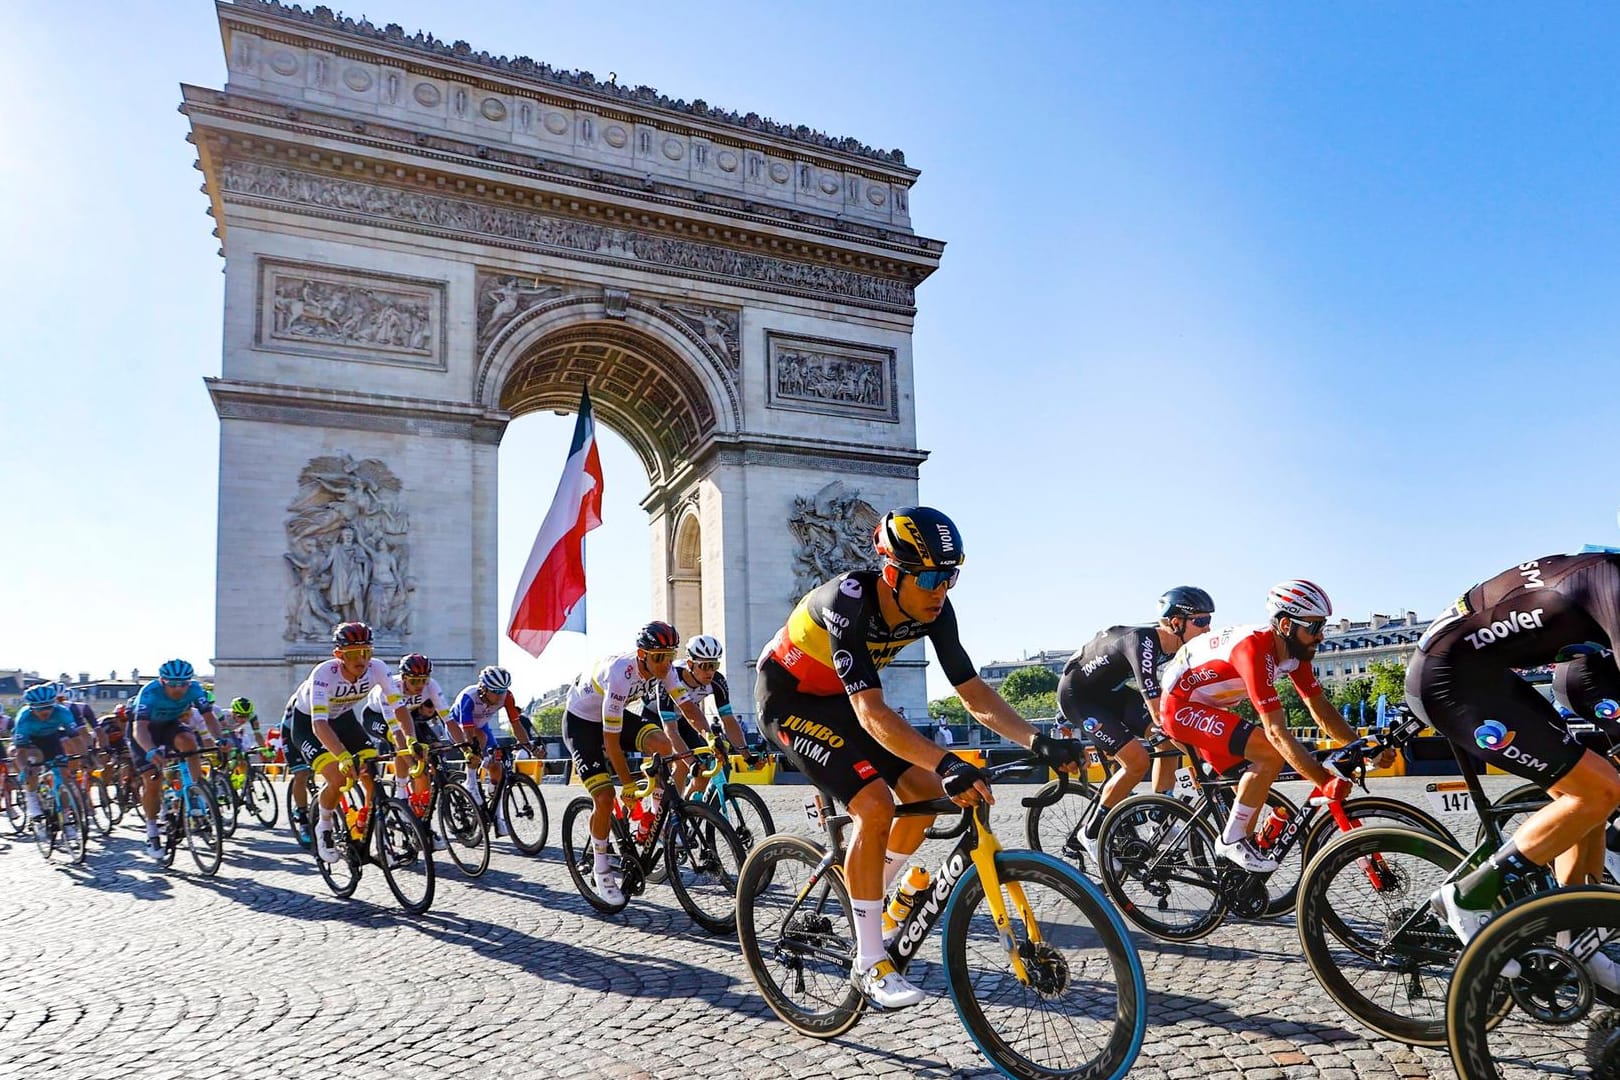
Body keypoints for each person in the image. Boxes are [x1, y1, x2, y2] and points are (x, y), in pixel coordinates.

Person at [756, 506, 1087, 1009]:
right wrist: (947, 760)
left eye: (949, 576)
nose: (940, 589)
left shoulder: (935, 609)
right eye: (929, 576)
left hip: (847, 705)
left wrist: (1037, 741)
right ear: (892, 571)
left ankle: (867, 899)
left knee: (930, 796)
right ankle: (868, 960)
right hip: (790, 700)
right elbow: (870, 712)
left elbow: (973, 693)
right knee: (873, 806)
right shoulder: (847, 602)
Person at [1407, 553, 1620, 988]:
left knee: (1592, 798)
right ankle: (1468, 896)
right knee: (1598, 792)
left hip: (1484, 676)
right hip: (1448, 679)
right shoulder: (1609, 580)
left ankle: (1577, 941)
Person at [1158, 580, 1372, 872]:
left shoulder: (1295, 653)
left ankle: (1239, 875)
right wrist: (1323, 781)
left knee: (1249, 794)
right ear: (1285, 625)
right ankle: (1230, 842)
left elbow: (1319, 708)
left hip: (1209, 707)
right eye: (1313, 627)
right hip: (1179, 707)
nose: (1320, 636)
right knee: (1269, 753)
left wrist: (1361, 746)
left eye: (1322, 626)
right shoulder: (1254, 650)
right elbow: (1276, 732)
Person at [1056, 586, 1216, 864]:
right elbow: (1158, 708)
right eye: (1200, 621)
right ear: (1176, 623)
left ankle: (1161, 815)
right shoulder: (1142, 641)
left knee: (1165, 741)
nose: (1208, 627)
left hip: (1111, 693)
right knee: (1137, 760)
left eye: (1209, 620)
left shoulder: (1181, 648)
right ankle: (1091, 833)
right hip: (1079, 698)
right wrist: (1204, 756)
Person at [561, 621, 710, 904]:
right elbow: (611, 742)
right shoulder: (620, 674)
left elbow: (688, 707)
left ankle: (652, 814)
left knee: (664, 745)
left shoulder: (662, 668)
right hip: (581, 723)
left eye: (670, 656)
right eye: (658, 658)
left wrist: (711, 737)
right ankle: (601, 867)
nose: (665, 664)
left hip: (608, 717)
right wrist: (627, 786)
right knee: (605, 797)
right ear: (642, 654)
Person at [288, 622, 408, 863]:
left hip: (343, 717)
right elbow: (319, 725)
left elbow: (399, 708)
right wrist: (343, 756)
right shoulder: (324, 674)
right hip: (308, 723)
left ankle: (370, 829)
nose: (361, 660)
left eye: (366, 652)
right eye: (353, 654)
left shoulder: (378, 669)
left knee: (370, 774)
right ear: (339, 656)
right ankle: (324, 827)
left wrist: (410, 741)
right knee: (338, 777)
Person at [130, 660, 222, 859]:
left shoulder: (195, 689)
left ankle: (194, 792)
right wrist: (150, 750)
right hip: (145, 731)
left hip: (170, 724)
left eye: (183, 684)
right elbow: (140, 729)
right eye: (173, 684)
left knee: (189, 742)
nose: (179, 689)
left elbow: (209, 718)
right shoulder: (150, 692)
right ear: (162, 681)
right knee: (152, 781)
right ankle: (152, 831)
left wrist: (220, 738)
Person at [446, 666, 537, 833]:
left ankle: (496, 814)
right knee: (480, 740)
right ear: (483, 688)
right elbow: (467, 733)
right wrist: (473, 755)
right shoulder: (469, 697)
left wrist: (529, 746)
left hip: (482, 726)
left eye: (502, 691)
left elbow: (516, 725)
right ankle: (470, 782)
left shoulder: (506, 697)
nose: (499, 696)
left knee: (497, 765)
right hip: (459, 727)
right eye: (495, 691)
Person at [653, 635, 754, 779]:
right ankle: (673, 801)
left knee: (704, 765)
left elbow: (728, 720)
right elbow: (670, 730)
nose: (711, 672)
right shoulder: (671, 677)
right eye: (706, 666)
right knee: (681, 763)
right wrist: (689, 761)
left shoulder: (717, 681)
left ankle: (690, 801)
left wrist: (746, 754)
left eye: (715, 666)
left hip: (686, 717)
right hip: (655, 717)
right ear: (690, 663)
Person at [9, 684, 92, 835]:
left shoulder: (62, 712)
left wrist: (84, 757)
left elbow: (76, 739)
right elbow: (21, 752)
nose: (45, 711)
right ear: (31, 707)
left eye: (48, 707)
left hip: (50, 738)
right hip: (29, 742)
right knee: (34, 763)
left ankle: (65, 818)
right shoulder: (24, 718)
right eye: (40, 709)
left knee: (63, 775)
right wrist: (24, 769)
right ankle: (32, 798)